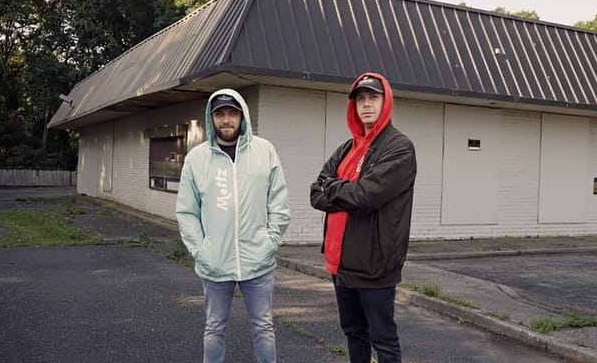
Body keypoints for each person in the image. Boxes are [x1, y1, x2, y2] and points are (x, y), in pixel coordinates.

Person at [176, 88, 291, 363]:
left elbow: (279, 203)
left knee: (263, 327)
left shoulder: (264, 151)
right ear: (211, 118)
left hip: (258, 261)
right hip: (215, 263)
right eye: (220, 114)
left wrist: (270, 241)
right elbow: (187, 212)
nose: (226, 120)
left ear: (242, 116)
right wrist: (201, 250)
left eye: (232, 113)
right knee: (214, 328)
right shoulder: (197, 158)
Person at [309, 72, 417, 363]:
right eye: (360, 99)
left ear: (386, 101)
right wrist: (343, 189)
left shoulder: (398, 148)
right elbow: (315, 193)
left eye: (373, 97)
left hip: (374, 264)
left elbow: (365, 197)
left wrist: (335, 187)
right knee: (354, 332)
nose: (366, 104)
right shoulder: (347, 148)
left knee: (383, 339)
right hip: (340, 262)